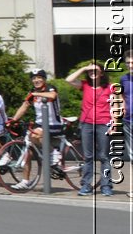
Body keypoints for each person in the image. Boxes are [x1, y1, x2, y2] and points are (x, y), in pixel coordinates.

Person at [66, 62, 115, 197]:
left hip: (103, 123)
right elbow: (68, 80)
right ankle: (86, 186)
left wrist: (114, 123)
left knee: (104, 156)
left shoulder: (110, 88)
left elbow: (118, 105)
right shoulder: (85, 85)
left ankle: (106, 186)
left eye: (95, 70)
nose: (92, 72)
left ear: (102, 73)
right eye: (90, 71)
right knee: (88, 157)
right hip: (86, 124)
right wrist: (83, 68)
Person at [15, 69, 64, 191]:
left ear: (44, 79)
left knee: (34, 135)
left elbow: (52, 96)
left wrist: (36, 94)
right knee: (28, 151)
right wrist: (13, 119)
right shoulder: (32, 92)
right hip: (40, 125)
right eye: (33, 78)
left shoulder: (50, 88)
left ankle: (53, 153)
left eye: (39, 78)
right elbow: (25, 106)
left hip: (54, 124)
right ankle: (25, 181)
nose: (36, 80)